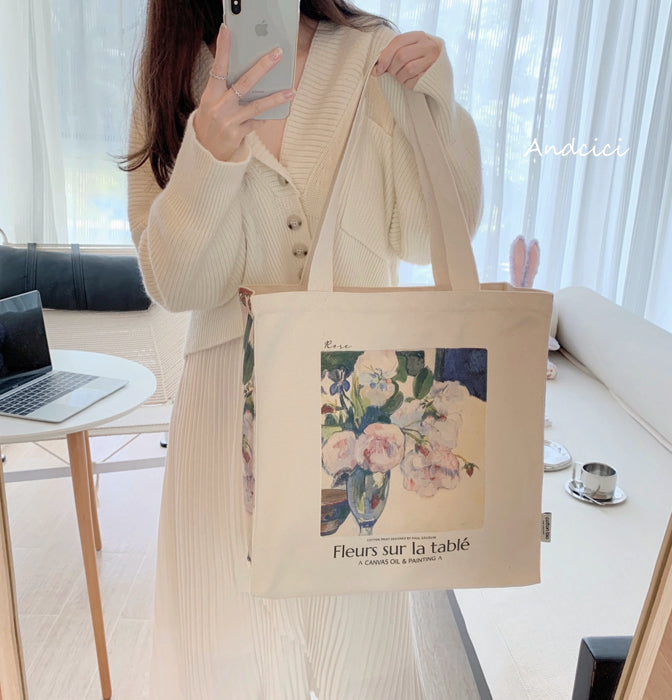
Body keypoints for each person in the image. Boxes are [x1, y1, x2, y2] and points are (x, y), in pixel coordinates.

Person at [124, 1, 482, 697]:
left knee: (363, 661)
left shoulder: (369, 52)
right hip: (224, 411)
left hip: (361, 410)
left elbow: (426, 235)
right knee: (225, 660)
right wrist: (208, 156)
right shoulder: (171, 74)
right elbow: (176, 284)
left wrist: (436, 104)